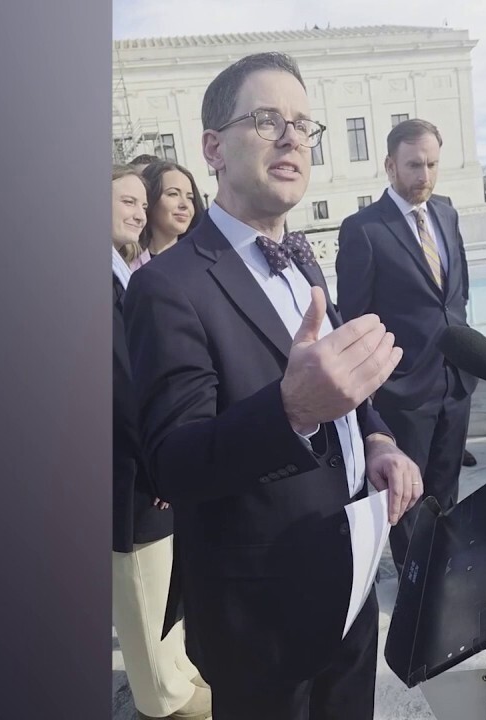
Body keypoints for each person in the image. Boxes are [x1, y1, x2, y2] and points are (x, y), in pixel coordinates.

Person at [123, 52, 423, 720]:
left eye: (303, 125)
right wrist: (290, 411)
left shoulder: (304, 259)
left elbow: (343, 392)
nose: (292, 138)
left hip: (351, 586)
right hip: (259, 617)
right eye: (266, 120)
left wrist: (379, 439)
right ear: (213, 149)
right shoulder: (166, 286)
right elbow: (173, 463)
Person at [335, 118, 477, 577]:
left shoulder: (447, 213)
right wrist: (372, 392)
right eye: (415, 165)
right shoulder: (363, 229)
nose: (425, 175)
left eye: (432, 164)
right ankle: (416, 590)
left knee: (446, 494)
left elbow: (456, 295)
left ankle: (444, 583)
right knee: (406, 501)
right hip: (402, 391)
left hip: (455, 383)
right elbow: (354, 317)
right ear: (390, 166)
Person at [110, 165, 211, 720]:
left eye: (138, 202)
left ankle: (176, 670)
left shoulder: (123, 273)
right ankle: (162, 699)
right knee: (140, 588)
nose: (138, 211)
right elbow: (121, 390)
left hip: (145, 462)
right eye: (126, 201)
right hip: (127, 471)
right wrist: (158, 464)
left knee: (163, 579)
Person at [131, 160, 205, 270]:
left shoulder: (204, 261)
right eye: (173, 194)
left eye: (190, 198)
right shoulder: (127, 266)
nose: (185, 205)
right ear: (149, 198)